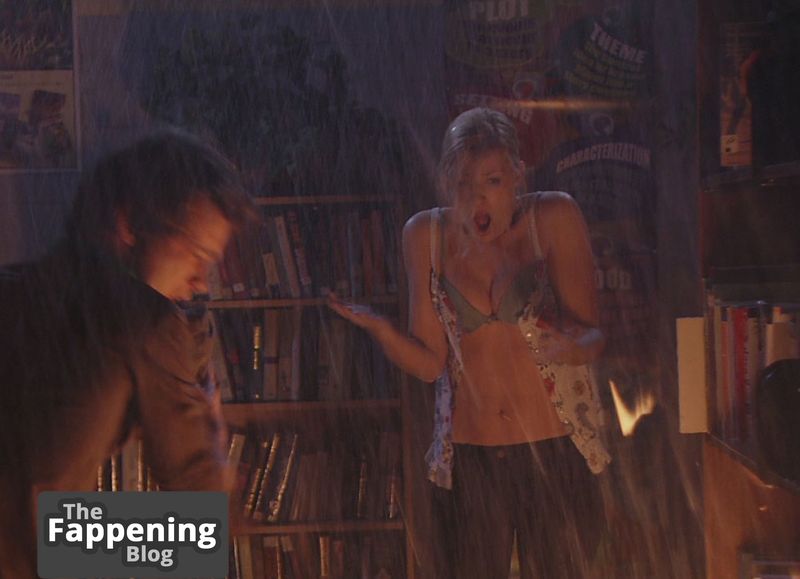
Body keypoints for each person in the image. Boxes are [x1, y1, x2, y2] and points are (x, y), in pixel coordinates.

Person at [329, 107, 611, 578]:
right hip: (474, 457)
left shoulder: (553, 216)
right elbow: (429, 364)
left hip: (553, 449)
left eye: (492, 181)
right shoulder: (426, 235)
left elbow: (594, 334)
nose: (476, 198)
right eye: (462, 184)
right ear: (445, 183)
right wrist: (380, 328)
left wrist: (572, 346)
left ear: (518, 175)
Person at [0, 130, 255, 578]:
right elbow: (201, 526)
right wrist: (210, 428)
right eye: (196, 256)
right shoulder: (145, 319)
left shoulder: (17, 290)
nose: (201, 281)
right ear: (129, 225)